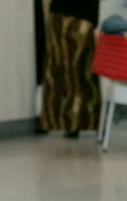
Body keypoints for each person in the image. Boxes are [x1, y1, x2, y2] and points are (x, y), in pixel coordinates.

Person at [41, 0, 101, 136]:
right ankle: (81, 122)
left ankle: (53, 121)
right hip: (84, 19)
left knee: (57, 72)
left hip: (61, 16)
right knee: (81, 74)